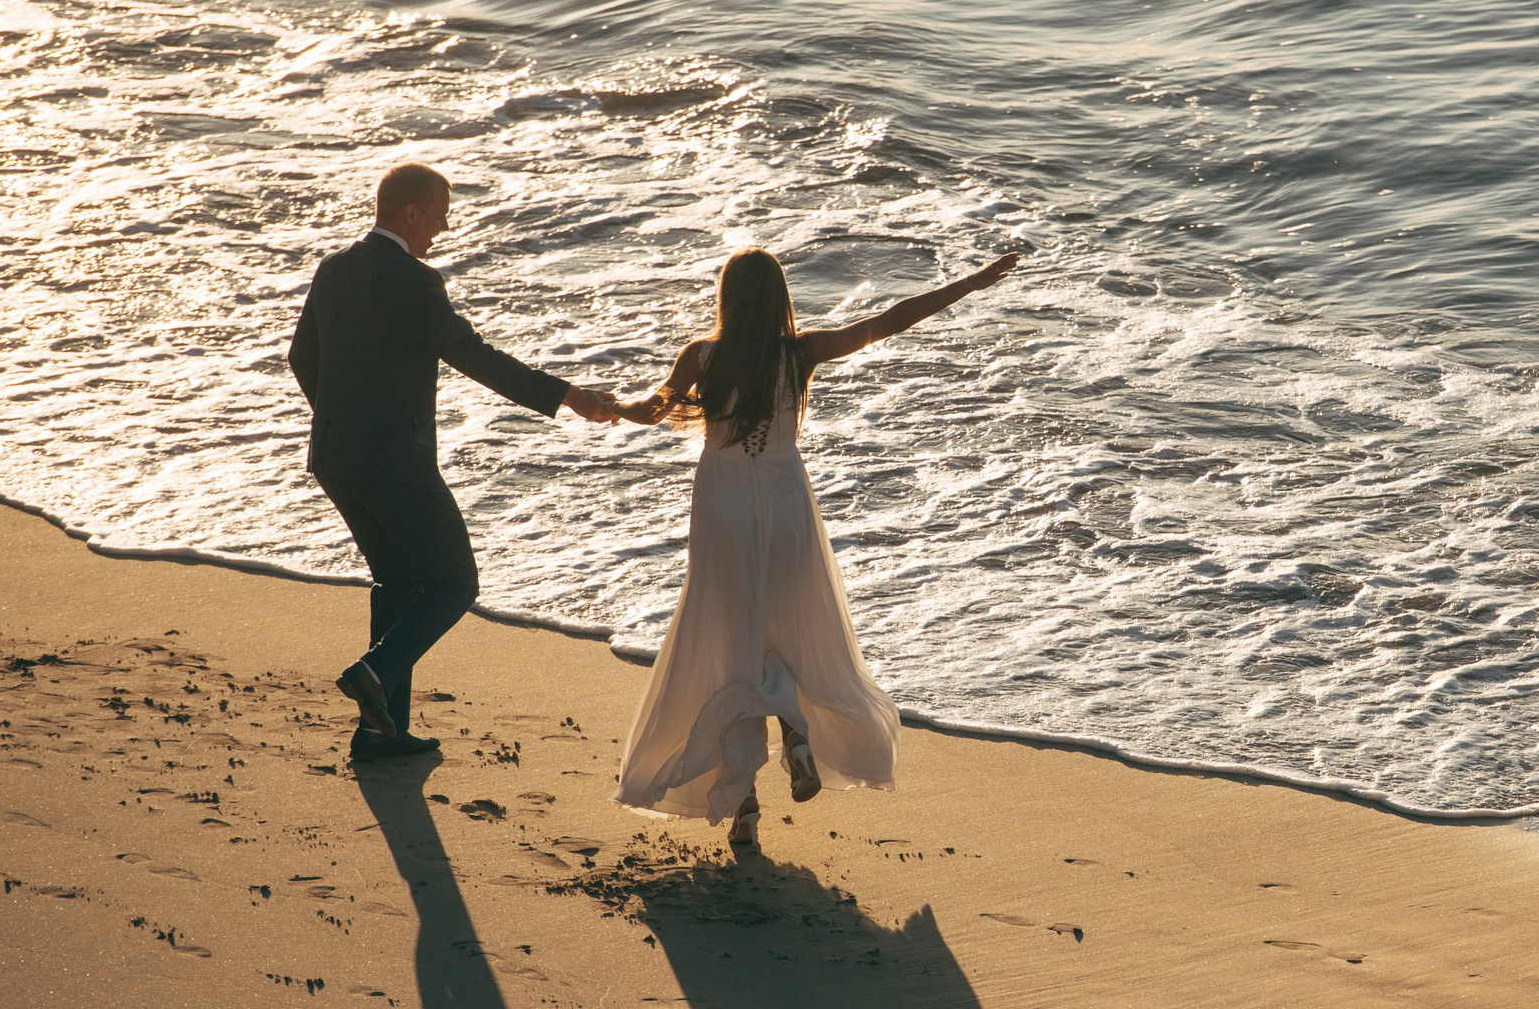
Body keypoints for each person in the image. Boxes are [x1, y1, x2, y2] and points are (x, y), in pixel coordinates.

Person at [610, 246, 1019, 843]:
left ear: (728, 299)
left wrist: (607, 406)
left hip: (724, 506)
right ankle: (795, 735)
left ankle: (744, 804)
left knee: (731, 643)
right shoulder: (798, 354)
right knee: (788, 630)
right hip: (785, 503)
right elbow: (889, 320)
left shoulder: (702, 356)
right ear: (780, 299)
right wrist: (970, 283)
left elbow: (651, 410)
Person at [288, 163, 617, 758]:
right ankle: (374, 671)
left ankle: (379, 731)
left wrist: (343, 423)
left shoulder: (334, 268)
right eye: (439, 214)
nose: (444, 227)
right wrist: (568, 395)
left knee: (399, 581)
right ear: (410, 212)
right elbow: (473, 356)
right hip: (394, 459)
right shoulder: (415, 281)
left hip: (334, 456)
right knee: (456, 582)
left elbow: (300, 357)